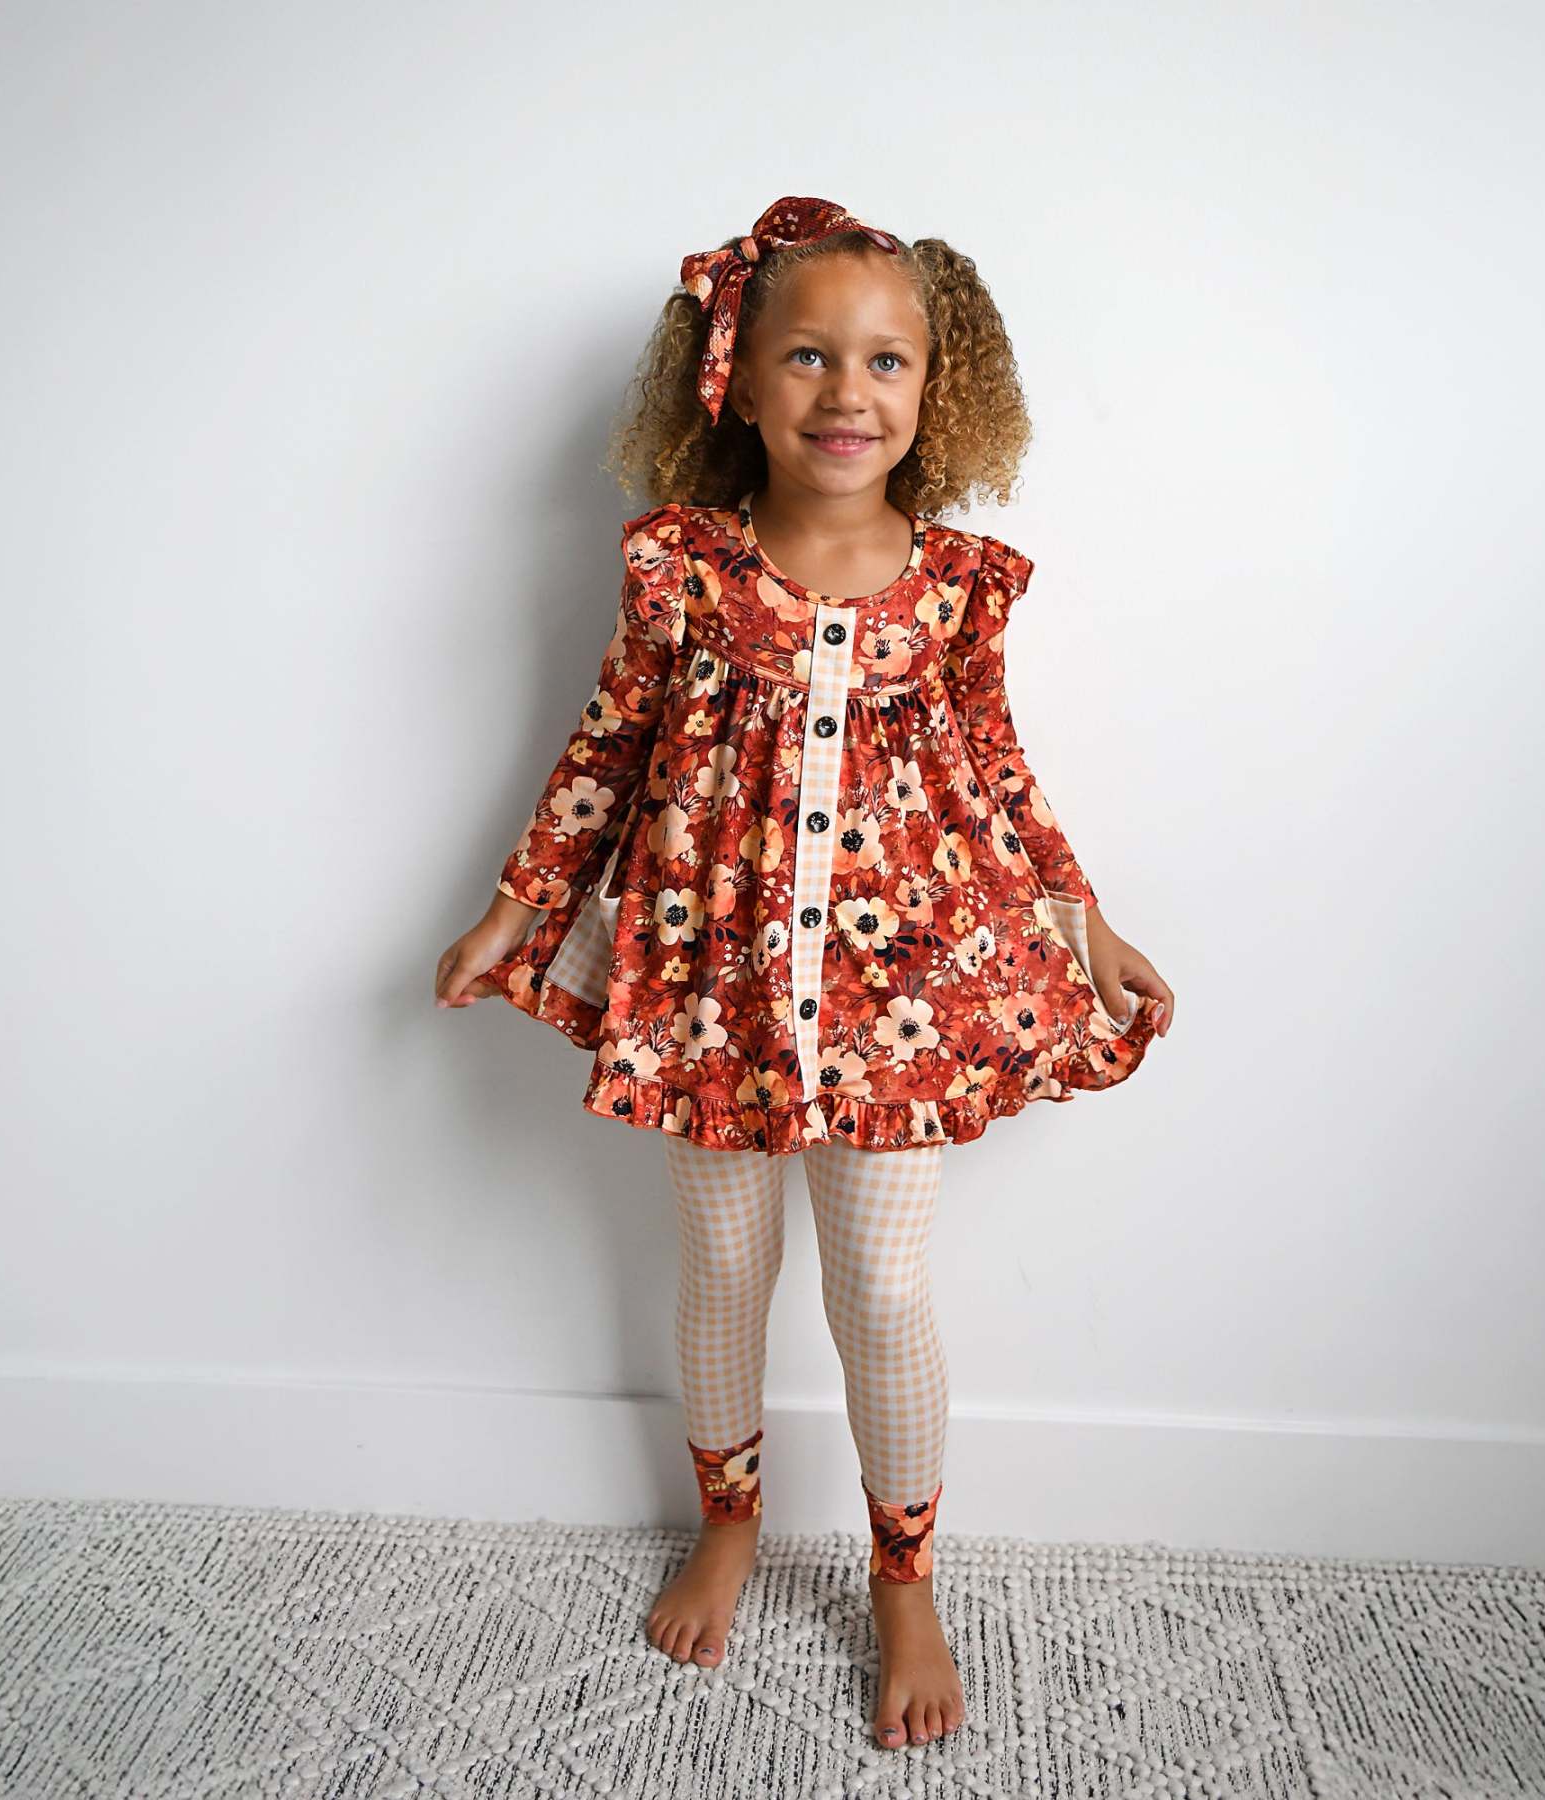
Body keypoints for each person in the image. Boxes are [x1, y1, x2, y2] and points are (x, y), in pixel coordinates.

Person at [435, 195, 1175, 1752]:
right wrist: (517, 908)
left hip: (905, 1000)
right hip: (709, 987)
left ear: (937, 385)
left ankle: (905, 1579)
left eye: (887, 360)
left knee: (883, 1286)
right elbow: (606, 748)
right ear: (736, 377)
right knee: (723, 1269)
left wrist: (1084, 921)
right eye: (809, 356)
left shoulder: (960, 585)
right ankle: (731, 1521)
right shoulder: (681, 567)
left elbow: (997, 770)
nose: (849, 392)